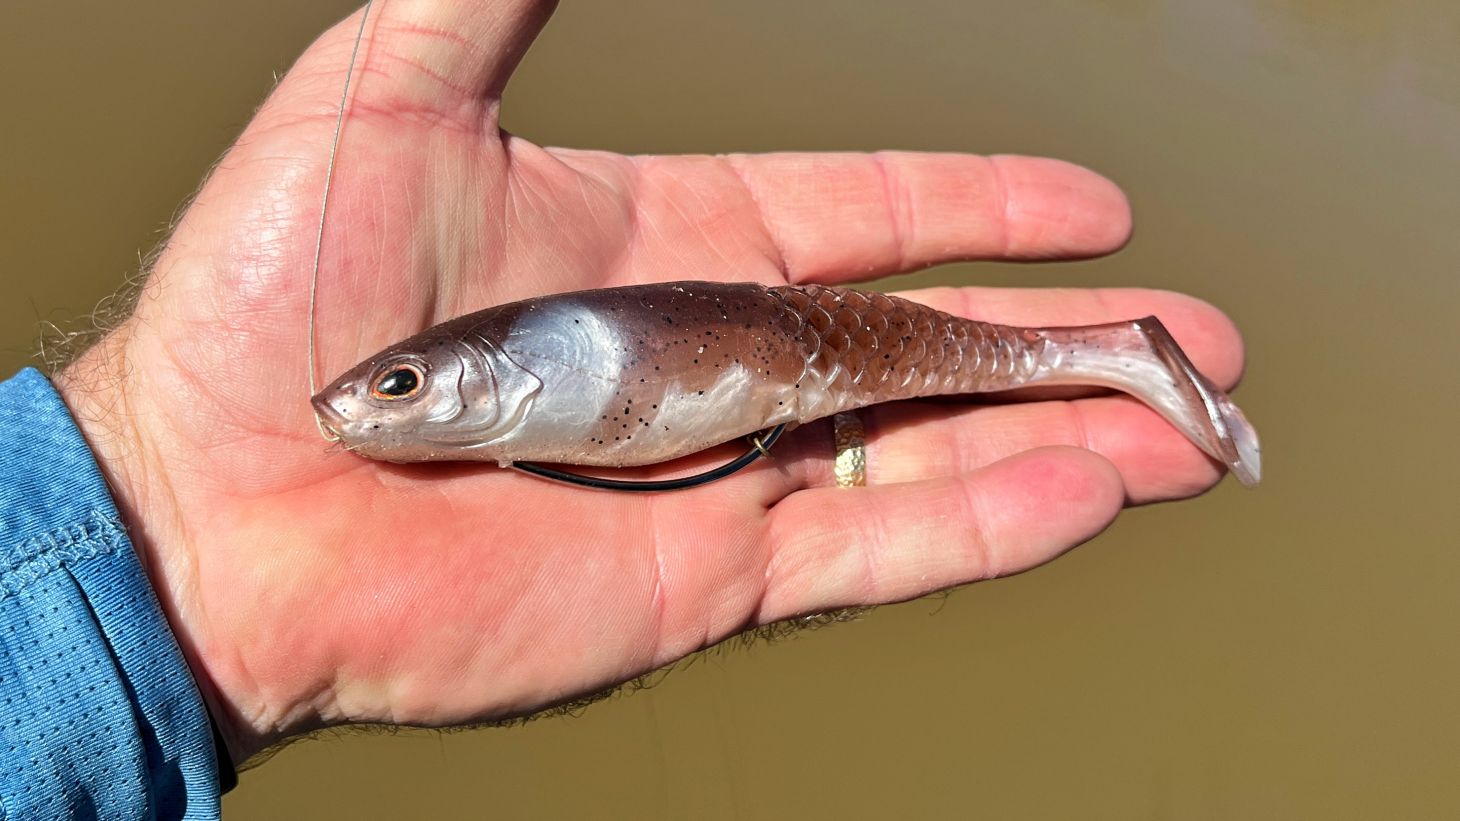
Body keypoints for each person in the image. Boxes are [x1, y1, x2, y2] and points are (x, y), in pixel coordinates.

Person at [3, 1, 1246, 816]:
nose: (373, 410)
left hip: (789, 354)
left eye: (400, 388)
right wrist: (162, 501)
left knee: (966, 357)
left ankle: (1119, 356)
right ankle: (1117, 359)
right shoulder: (496, 406)